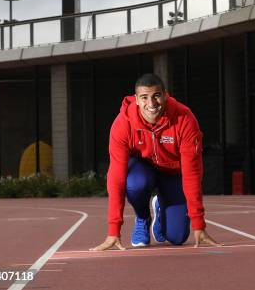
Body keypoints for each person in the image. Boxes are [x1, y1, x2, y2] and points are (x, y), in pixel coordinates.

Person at [91, 73, 221, 251]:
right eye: (144, 97)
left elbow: (192, 173)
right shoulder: (122, 124)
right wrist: (113, 231)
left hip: (173, 174)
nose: (151, 104)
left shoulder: (185, 119)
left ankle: (160, 207)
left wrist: (199, 224)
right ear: (136, 99)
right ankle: (143, 217)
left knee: (177, 238)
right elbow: (116, 177)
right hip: (143, 171)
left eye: (156, 96)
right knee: (135, 183)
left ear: (166, 95)